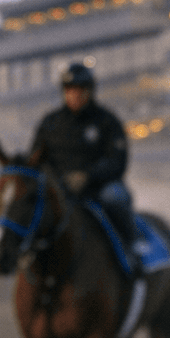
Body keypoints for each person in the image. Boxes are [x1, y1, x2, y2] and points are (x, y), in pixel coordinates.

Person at [32, 63, 141, 271]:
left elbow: (118, 161)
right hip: (59, 189)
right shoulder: (50, 123)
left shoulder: (107, 121)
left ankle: (131, 246)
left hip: (99, 188)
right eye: (70, 90)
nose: (75, 95)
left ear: (90, 91)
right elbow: (36, 159)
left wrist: (87, 176)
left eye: (81, 90)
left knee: (117, 197)